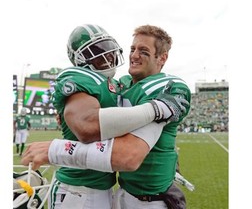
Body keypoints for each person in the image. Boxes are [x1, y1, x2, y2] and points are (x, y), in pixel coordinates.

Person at [22, 24, 191, 208]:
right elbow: (87, 125)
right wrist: (155, 109)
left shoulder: (167, 87)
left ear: (162, 57)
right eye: (133, 49)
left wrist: (56, 150)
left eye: (143, 51)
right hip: (88, 189)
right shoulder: (116, 84)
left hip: (145, 197)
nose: (134, 55)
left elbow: (128, 156)